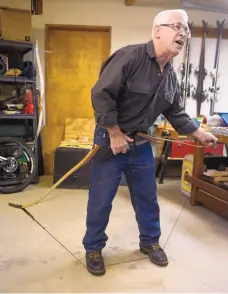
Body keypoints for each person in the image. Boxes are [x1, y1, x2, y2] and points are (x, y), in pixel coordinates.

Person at [82, 9, 218, 276]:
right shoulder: (129, 57)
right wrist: (114, 132)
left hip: (141, 144)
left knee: (147, 198)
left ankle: (150, 242)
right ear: (157, 30)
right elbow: (101, 93)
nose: (183, 33)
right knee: (101, 199)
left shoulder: (171, 76)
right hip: (111, 142)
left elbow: (175, 111)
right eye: (178, 26)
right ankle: (93, 247)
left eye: (187, 30)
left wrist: (198, 133)